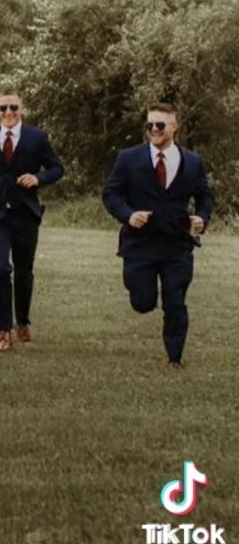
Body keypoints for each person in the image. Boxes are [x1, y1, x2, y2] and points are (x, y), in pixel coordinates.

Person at [103, 102, 214, 369]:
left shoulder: (193, 162)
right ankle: (142, 297)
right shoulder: (128, 158)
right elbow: (111, 194)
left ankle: (175, 357)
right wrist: (128, 214)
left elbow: (205, 197)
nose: (154, 129)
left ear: (174, 127)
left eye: (160, 125)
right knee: (143, 302)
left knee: (175, 299)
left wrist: (202, 217)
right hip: (139, 244)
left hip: (176, 244)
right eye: (149, 125)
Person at [0, 90, 64, 351]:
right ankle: (3, 331)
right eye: (3, 108)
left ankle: (22, 320)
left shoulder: (37, 137)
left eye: (13, 107)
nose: (8, 113)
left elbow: (57, 169)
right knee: (1, 270)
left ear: (22, 109)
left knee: (24, 272)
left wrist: (38, 178)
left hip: (25, 214)